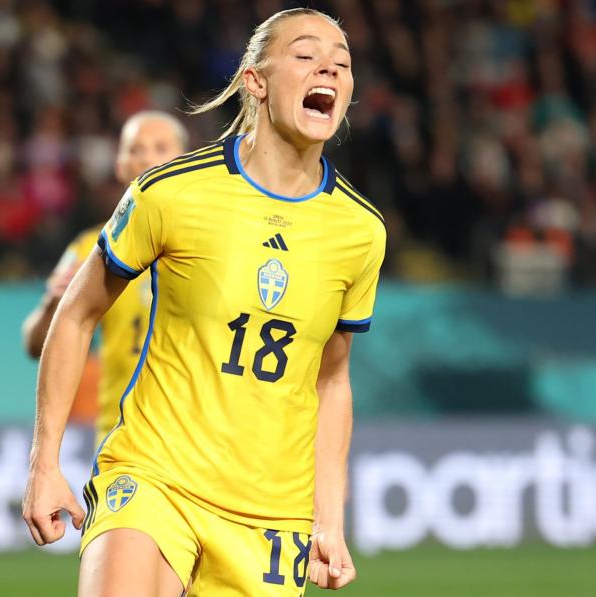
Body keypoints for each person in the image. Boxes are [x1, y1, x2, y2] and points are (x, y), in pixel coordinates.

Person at [23, 8, 385, 595]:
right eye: (306, 54)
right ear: (256, 81)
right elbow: (77, 313)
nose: (330, 68)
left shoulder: (361, 232)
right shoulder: (171, 193)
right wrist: (44, 465)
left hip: (271, 512)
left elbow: (333, 381)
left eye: (342, 63)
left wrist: (330, 521)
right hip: (156, 474)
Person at [22, 111, 188, 447]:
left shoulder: (212, 242)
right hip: (121, 440)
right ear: (119, 164)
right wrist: (52, 302)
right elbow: (34, 343)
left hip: (195, 436)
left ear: (185, 161)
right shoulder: (90, 248)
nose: (147, 159)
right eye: (136, 149)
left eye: (160, 147)